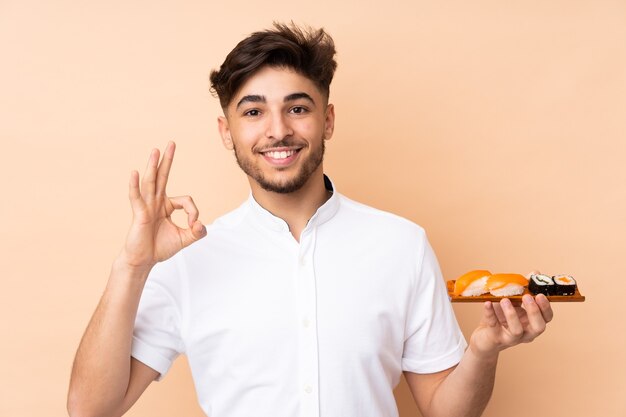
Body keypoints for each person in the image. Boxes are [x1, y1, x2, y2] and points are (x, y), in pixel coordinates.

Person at [67, 23, 553, 417]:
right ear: (226, 131)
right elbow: (90, 409)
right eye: (253, 111)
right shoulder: (188, 258)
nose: (277, 130)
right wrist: (131, 266)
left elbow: (447, 412)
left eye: (297, 108)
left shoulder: (401, 244)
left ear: (328, 119)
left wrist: (484, 350)